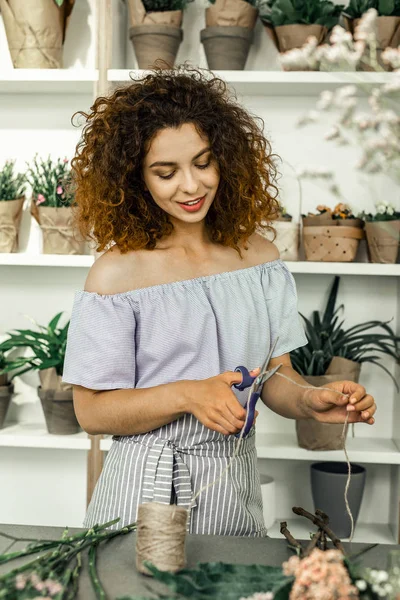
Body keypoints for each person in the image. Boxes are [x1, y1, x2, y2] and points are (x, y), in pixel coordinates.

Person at [62, 65, 376, 537]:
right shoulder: (115, 274)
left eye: (203, 162)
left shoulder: (261, 261)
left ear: (226, 158)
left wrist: (312, 400)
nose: (191, 186)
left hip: (233, 483)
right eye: (166, 173)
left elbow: (276, 378)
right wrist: (187, 394)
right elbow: (91, 413)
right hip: (142, 488)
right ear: (134, 179)